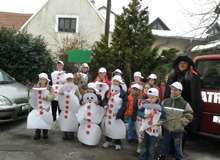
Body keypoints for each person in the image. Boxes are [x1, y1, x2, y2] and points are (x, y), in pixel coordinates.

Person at [164, 56, 202, 150]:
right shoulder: (173, 75)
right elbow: (167, 93)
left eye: (184, 63)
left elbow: (195, 96)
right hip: (172, 106)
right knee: (170, 125)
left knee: (181, 129)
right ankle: (170, 148)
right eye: (180, 63)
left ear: (188, 65)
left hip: (183, 106)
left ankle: (178, 150)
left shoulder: (193, 77)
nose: (182, 65)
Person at [158, 82, 193, 160]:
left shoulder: (184, 104)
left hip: (178, 130)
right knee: (165, 143)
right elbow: (160, 112)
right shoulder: (165, 101)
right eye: (172, 89)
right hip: (167, 128)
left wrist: (181, 123)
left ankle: (178, 157)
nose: (173, 91)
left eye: (176, 90)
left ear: (180, 91)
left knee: (177, 145)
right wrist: (161, 121)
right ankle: (162, 155)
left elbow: (190, 115)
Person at [137, 88, 166, 160]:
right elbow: (139, 112)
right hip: (145, 130)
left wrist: (161, 122)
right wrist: (143, 115)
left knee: (151, 149)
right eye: (149, 97)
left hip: (154, 131)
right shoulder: (146, 104)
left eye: (152, 97)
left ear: (157, 97)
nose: (150, 99)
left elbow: (164, 117)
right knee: (143, 147)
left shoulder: (161, 107)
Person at [102, 75, 128, 150]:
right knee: (109, 127)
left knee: (117, 128)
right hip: (109, 114)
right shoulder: (108, 91)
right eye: (114, 81)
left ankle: (117, 142)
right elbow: (105, 99)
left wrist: (120, 113)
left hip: (118, 114)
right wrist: (105, 104)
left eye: (117, 81)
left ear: (120, 83)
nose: (115, 83)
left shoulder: (122, 93)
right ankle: (108, 140)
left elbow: (125, 104)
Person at [28, 73, 55, 140]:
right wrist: (29, 97)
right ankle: (37, 133)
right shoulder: (35, 87)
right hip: (37, 106)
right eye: (40, 79)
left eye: (43, 79)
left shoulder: (49, 88)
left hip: (45, 107)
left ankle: (45, 133)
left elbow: (53, 96)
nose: (41, 81)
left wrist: (47, 97)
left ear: (46, 80)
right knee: (37, 119)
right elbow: (33, 95)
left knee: (44, 119)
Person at [59, 73, 81, 140]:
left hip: (72, 107)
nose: (69, 81)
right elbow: (59, 94)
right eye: (68, 80)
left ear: (73, 80)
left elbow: (78, 96)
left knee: (71, 119)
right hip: (65, 107)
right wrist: (61, 93)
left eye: (70, 80)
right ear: (66, 80)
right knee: (65, 119)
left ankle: (71, 133)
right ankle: (65, 133)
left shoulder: (75, 87)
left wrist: (79, 103)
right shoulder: (63, 87)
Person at [132, 82, 153, 153]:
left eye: (148, 88)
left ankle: (147, 148)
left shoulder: (153, 99)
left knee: (147, 135)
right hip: (139, 120)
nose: (146, 90)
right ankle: (140, 146)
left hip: (149, 120)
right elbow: (135, 108)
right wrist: (133, 117)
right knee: (140, 134)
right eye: (145, 88)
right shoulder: (138, 98)